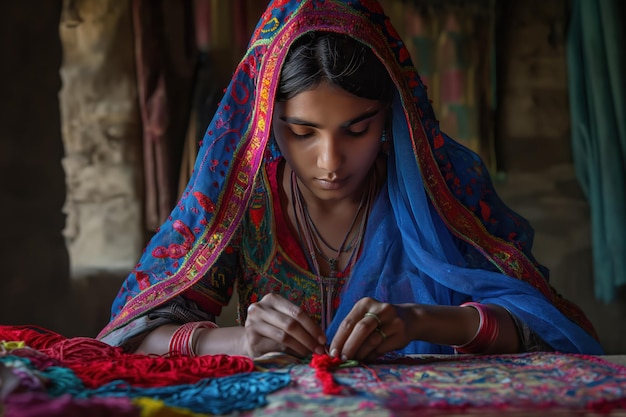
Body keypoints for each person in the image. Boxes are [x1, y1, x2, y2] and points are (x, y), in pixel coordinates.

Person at [97, 0, 604, 361]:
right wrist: (238, 342)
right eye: (301, 132)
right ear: (265, 124)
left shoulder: (441, 194)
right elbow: (128, 337)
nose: (329, 161)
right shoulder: (246, 203)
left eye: (357, 129)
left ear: (393, 118)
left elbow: (550, 331)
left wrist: (422, 322)